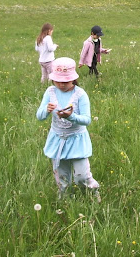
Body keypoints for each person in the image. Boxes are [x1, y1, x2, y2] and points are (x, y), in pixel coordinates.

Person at [36, 57, 100, 200]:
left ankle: (94, 195)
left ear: (73, 79)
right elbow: (39, 116)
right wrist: (46, 110)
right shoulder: (50, 92)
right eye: (58, 81)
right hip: (57, 139)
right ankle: (65, 201)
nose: (61, 84)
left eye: (65, 81)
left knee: (81, 176)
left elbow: (86, 119)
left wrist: (71, 116)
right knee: (62, 177)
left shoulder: (80, 94)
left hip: (77, 140)